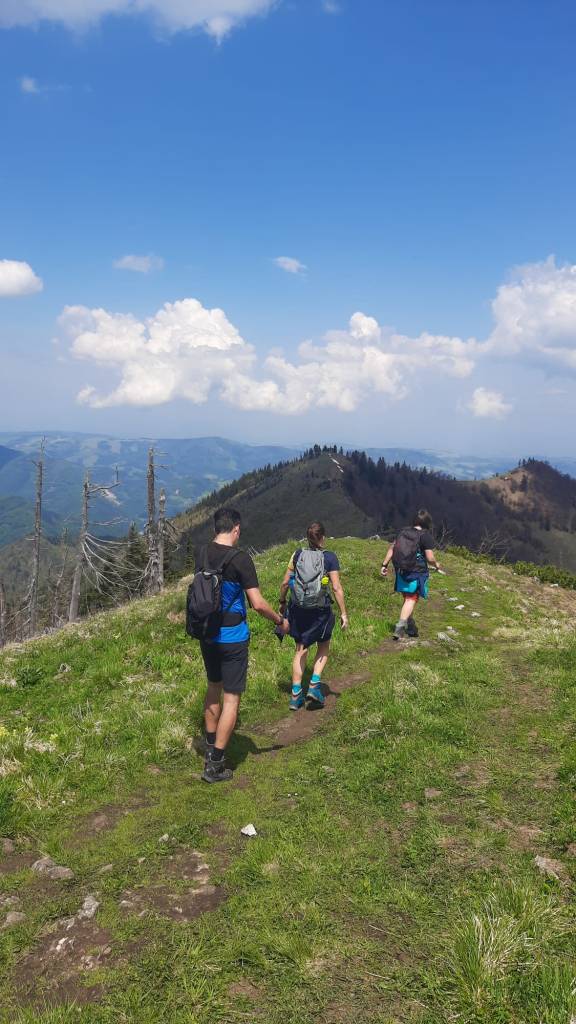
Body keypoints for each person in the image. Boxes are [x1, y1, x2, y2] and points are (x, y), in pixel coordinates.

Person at [197, 507, 289, 783]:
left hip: (207, 633)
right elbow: (257, 604)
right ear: (236, 529)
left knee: (213, 688)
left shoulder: (202, 553)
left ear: (216, 527)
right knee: (231, 698)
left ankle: (210, 746)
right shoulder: (240, 559)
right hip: (233, 637)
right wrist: (280, 620)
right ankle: (215, 765)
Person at [278, 522, 348, 710]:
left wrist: (282, 602)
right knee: (323, 645)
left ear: (308, 538)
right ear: (323, 537)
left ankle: (295, 695)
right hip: (320, 611)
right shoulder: (330, 557)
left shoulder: (297, 555)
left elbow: (285, 583)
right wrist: (343, 613)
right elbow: (336, 588)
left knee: (300, 649)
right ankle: (314, 686)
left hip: (298, 608)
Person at [380, 509, 442, 640]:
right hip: (416, 572)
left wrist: (384, 565)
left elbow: (392, 549)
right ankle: (400, 628)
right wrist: (436, 564)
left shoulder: (403, 532)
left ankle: (411, 626)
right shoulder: (425, 536)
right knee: (411, 599)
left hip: (401, 571)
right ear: (427, 523)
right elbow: (430, 558)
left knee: (407, 598)